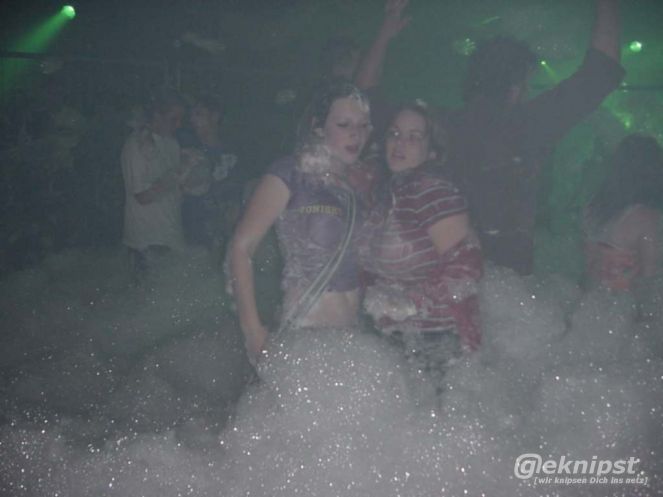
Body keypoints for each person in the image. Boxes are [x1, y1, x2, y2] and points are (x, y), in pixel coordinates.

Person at [447, 0, 624, 275]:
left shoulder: (445, 124)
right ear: (514, 86)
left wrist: (385, 34)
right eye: (526, 82)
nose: (528, 90)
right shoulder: (524, 125)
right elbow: (600, 73)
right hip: (506, 274)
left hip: (448, 269)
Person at [228, 81, 372, 363]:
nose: (356, 134)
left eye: (363, 125)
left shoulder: (358, 187)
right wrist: (253, 332)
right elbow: (240, 248)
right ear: (318, 127)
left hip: (353, 340)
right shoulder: (292, 172)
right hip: (305, 336)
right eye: (344, 124)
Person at [359, 101, 483, 383]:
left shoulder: (431, 190)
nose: (400, 143)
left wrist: (409, 302)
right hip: (399, 337)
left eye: (414, 137)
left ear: (432, 151)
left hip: (437, 341)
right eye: (394, 134)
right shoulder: (389, 193)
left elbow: (467, 267)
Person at [121, 89, 199, 281]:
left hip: (172, 237)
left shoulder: (171, 143)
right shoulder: (136, 145)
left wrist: (194, 176)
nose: (178, 125)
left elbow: (174, 188)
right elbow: (143, 196)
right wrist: (181, 170)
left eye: (181, 120)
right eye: (173, 119)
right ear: (157, 116)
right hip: (146, 242)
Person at [584, 134, 662, 293]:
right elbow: (652, 281)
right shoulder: (646, 218)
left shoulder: (593, 207)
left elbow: (587, 264)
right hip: (623, 302)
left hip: (590, 297)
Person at [178, 94, 241, 251]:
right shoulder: (187, 150)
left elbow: (237, 188)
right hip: (195, 228)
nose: (192, 119)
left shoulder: (232, 150)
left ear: (215, 116)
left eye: (199, 114)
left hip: (225, 228)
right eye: (191, 115)